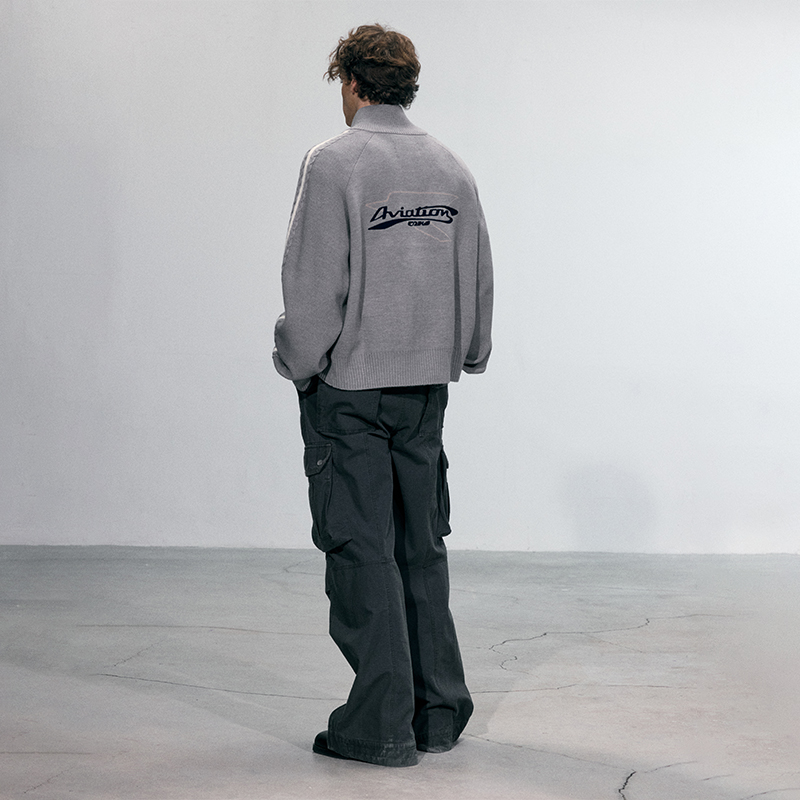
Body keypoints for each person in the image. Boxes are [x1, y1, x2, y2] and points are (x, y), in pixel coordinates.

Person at [272, 23, 493, 767]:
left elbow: (312, 286)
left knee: (361, 550)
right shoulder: (449, 167)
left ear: (351, 81)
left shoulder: (334, 162)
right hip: (425, 388)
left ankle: (379, 727)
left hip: (350, 391)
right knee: (419, 547)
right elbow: (478, 271)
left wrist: (299, 362)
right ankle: (438, 713)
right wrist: (468, 350)